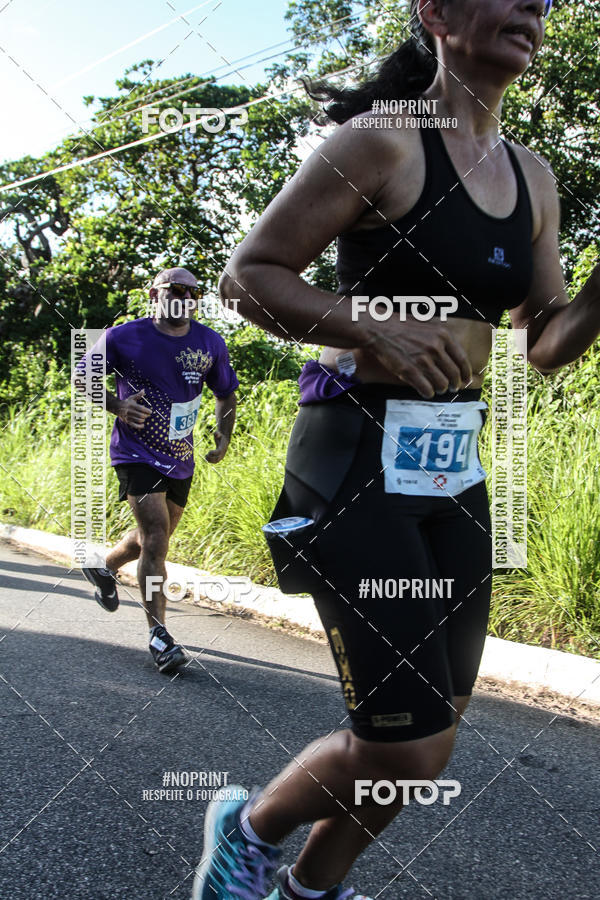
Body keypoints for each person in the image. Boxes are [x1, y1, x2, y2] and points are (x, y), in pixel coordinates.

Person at [192, 1, 600, 898]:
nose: (532, 9)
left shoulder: (534, 176)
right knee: (403, 744)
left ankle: (310, 888)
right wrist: (376, 326)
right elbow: (249, 276)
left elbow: (542, 342)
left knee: (433, 733)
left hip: (455, 466)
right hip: (355, 454)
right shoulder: (383, 143)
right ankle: (247, 828)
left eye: (544, 1)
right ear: (440, 14)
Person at [76, 267, 238, 672]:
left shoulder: (209, 341)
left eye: (193, 291)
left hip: (180, 455)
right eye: (176, 289)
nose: (185, 296)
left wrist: (223, 435)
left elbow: (225, 393)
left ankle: (105, 566)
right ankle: (159, 635)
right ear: (155, 294)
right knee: (156, 537)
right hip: (135, 452)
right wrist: (118, 406)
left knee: (155, 537)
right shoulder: (123, 336)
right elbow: (84, 377)